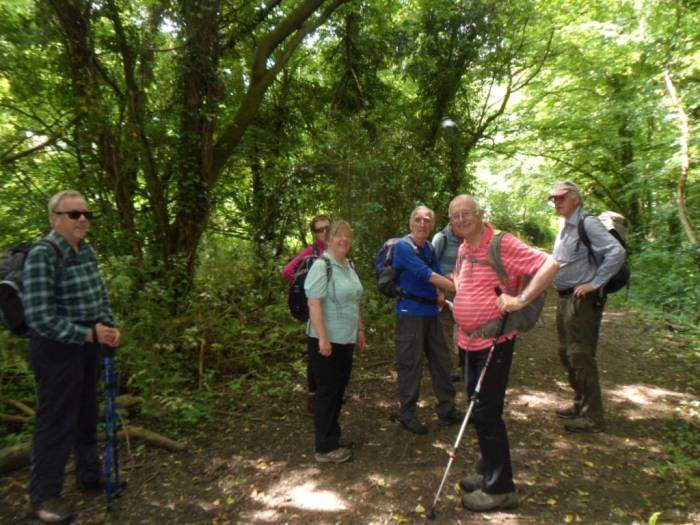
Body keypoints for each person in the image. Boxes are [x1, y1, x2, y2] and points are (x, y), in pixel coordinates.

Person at [452, 195, 559, 512]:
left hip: (494, 342)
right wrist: (463, 299)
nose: (460, 220)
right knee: (476, 407)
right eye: (455, 216)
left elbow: (550, 264)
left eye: (466, 214)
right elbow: (461, 279)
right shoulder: (463, 248)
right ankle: (487, 470)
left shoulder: (502, 242)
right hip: (467, 341)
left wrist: (521, 299)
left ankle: (501, 488)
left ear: (480, 214)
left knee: (486, 411)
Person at [22, 190, 122, 524]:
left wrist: (108, 326)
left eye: (86, 214)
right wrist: (87, 333)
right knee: (56, 421)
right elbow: (39, 318)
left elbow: (100, 294)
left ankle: (89, 474)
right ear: (54, 217)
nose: (82, 220)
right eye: (73, 214)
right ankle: (44, 497)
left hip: (89, 343)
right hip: (56, 349)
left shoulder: (86, 251)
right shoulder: (43, 254)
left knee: (86, 412)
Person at [549, 180, 625, 433]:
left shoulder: (587, 223)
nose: (556, 202)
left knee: (580, 354)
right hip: (565, 299)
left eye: (561, 197)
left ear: (576, 200)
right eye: (554, 199)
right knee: (566, 353)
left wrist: (595, 282)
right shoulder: (565, 227)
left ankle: (593, 416)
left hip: (582, 301)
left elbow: (616, 252)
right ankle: (580, 402)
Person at [393, 205, 463, 435]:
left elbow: (436, 275)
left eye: (427, 220)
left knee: (442, 361)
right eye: (418, 219)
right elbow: (427, 275)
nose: (422, 223)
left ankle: (447, 409)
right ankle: (408, 414)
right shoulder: (404, 247)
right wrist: (460, 288)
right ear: (410, 222)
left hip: (432, 313)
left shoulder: (429, 248)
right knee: (410, 364)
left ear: (432, 225)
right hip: (410, 314)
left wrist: (443, 293)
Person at [305, 220, 366, 463]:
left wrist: (360, 329)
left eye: (347, 237)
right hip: (326, 340)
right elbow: (314, 303)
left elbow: (354, 300)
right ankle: (325, 448)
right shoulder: (322, 266)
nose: (343, 240)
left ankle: (333, 438)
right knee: (327, 393)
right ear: (328, 239)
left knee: (338, 391)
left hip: (346, 339)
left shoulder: (348, 265)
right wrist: (323, 338)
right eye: (338, 236)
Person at [283, 214, 330, 413]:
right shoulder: (311, 252)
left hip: (333, 309)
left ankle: (330, 392)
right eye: (320, 230)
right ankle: (313, 396)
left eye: (327, 227)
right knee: (315, 352)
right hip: (316, 308)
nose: (325, 232)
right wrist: (305, 284)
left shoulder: (338, 248)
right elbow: (287, 271)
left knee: (331, 350)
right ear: (314, 234)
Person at [432, 196, 468, 378]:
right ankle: (449, 369)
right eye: (457, 217)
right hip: (445, 293)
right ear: (451, 221)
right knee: (446, 330)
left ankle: (465, 366)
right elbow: (431, 266)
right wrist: (438, 291)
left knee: (466, 329)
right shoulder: (441, 239)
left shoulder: (469, 238)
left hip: (467, 293)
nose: (461, 222)